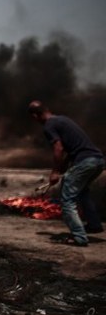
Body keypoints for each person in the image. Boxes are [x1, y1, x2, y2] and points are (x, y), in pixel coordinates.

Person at [28, 100, 104, 246]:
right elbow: (73, 147)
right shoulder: (63, 119)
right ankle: (94, 225)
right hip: (98, 160)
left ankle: (79, 238)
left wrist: (55, 172)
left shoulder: (49, 125)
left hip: (85, 161)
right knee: (81, 192)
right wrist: (63, 167)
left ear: (34, 116)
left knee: (67, 199)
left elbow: (59, 148)